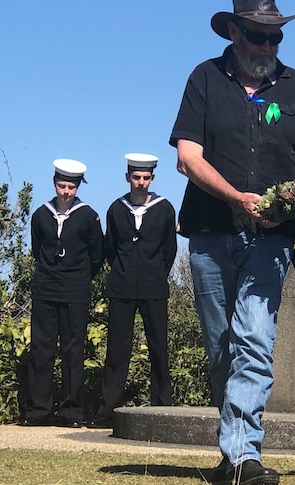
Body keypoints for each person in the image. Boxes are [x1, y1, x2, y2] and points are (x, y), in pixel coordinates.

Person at [169, 1, 295, 482]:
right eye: (258, 36)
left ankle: (244, 457)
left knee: (255, 339)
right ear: (235, 33)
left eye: (275, 37)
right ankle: (232, 456)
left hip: (273, 238)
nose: (267, 46)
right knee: (223, 348)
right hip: (209, 231)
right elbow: (187, 158)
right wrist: (236, 197)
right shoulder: (204, 78)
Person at [90, 153, 178, 429]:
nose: (141, 182)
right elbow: (111, 249)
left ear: (152, 179)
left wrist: (154, 274)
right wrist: (124, 271)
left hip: (154, 287)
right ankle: (108, 409)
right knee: (117, 350)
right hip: (122, 287)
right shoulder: (116, 209)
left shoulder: (165, 209)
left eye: (146, 178)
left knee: (158, 347)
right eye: (136, 177)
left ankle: (162, 406)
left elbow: (169, 250)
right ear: (128, 178)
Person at [22, 159, 103, 428]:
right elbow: (37, 251)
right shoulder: (40, 215)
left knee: (72, 351)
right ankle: (38, 411)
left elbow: (96, 257)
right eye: (61, 185)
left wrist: (77, 277)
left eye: (71, 186)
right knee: (41, 350)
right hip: (45, 288)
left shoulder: (88, 216)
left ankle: (71, 412)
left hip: (75, 290)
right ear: (54, 184)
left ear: (78, 187)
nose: (66, 191)